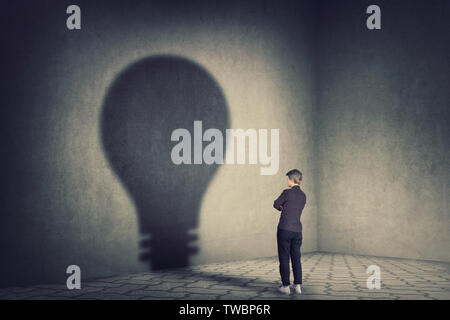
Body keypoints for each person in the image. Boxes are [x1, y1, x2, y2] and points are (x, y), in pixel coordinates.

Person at [273, 169, 306, 295]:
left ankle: (285, 286)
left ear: (292, 179)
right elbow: (295, 209)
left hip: (284, 230)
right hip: (297, 231)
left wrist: (283, 207)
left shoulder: (286, 193)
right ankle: (298, 286)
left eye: (287, 178)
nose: (287, 181)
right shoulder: (303, 195)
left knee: (284, 258)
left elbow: (276, 204)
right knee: (296, 258)